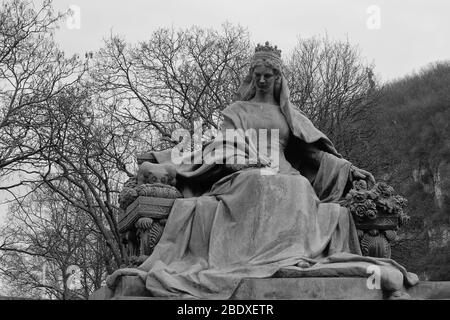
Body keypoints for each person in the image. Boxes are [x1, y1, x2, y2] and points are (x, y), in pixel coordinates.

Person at [107, 42, 417, 299]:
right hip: (242, 172)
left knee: (297, 188)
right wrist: (243, 158)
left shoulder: (290, 116)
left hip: (285, 174)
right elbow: (223, 144)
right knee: (258, 181)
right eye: (258, 75)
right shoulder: (235, 112)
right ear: (251, 76)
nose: (263, 80)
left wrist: (349, 169)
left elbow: (312, 153)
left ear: (278, 78)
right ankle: (257, 258)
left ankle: (288, 255)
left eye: (269, 75)